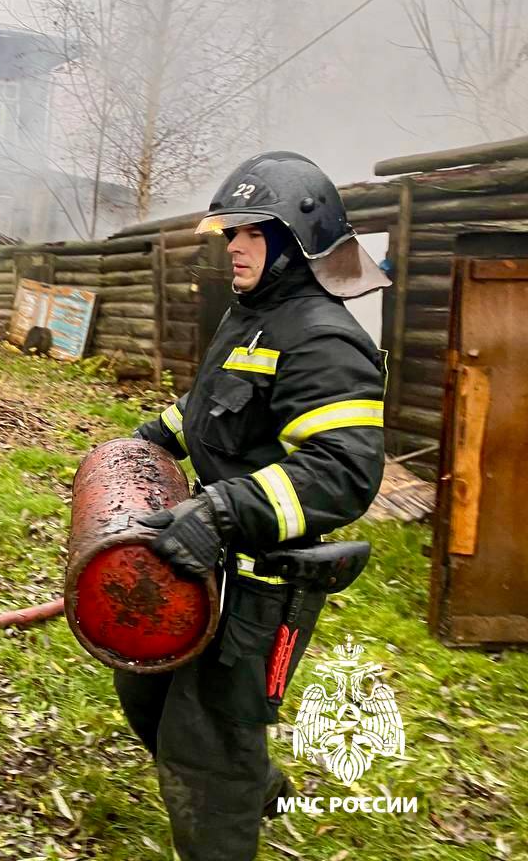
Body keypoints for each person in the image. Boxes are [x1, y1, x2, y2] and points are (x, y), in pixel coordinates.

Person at [123, 151, 390, 861]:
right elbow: (212, 412)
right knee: (144, 690)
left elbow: (344, 471)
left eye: (250, 232)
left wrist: (221, 512)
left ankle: (233, 790)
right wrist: (148, 440)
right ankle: (254, 775)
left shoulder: (324, 341)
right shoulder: (251, 322)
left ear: (298, 243)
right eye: (230, 232)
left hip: (258, 590)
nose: (232, 245)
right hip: (201, 563)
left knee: (205, 755)